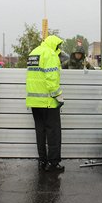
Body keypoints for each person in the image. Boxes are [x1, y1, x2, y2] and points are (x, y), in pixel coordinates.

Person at [26, 35, 65, 172]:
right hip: (48, 101)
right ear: (55, 44)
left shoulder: (34, 52)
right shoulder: (50, 54)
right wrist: (58, 95)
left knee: (40, 131)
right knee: (53, 132)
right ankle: (53, 163)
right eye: (58, 45)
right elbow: (51, 77)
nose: (59, 48)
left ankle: (42, 160)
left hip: (34, 101)